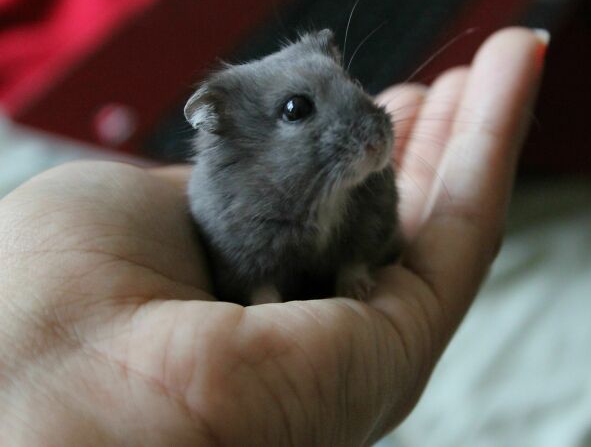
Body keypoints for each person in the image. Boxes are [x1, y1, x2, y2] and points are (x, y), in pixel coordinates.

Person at [0, 28, 546, 445]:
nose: (370, 125)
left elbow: (382, 229)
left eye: (352, 89)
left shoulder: (371, 192)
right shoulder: (228, 207)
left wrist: (356, 267)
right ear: (226, 131)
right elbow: (237, 262)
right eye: (297, 111)